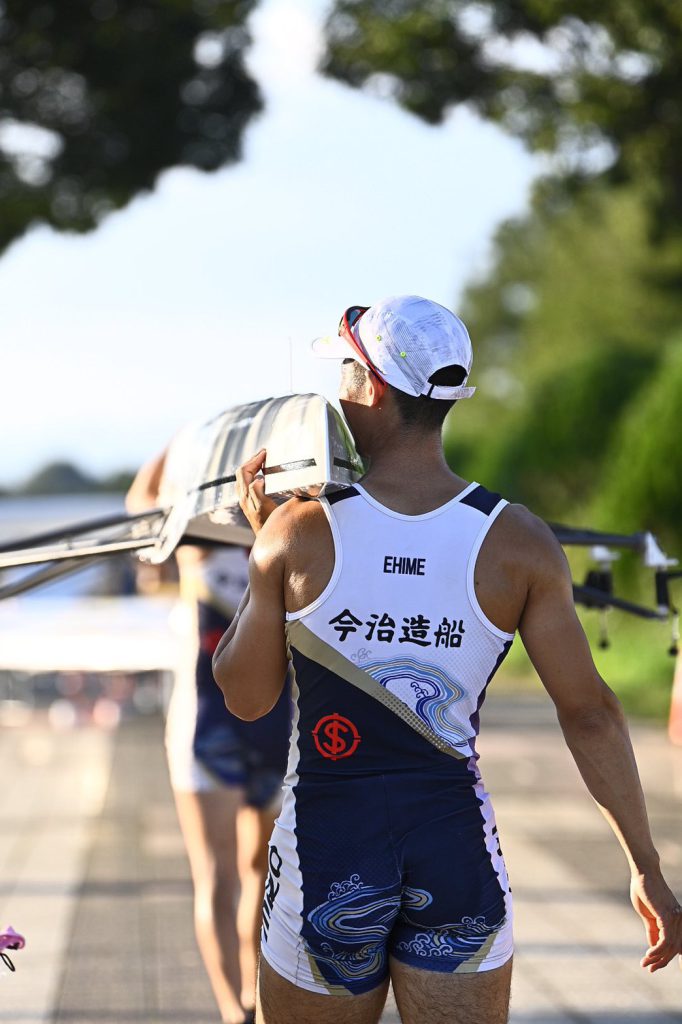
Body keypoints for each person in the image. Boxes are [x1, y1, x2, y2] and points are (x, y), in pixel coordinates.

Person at [212, 295, 682, 1024]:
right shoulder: (518, 539)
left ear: (371, 387)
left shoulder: (298, 531)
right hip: (454, 844)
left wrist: (261, 551)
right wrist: (645, 867)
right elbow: (590, 712)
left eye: (344, 374)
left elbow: (245, 698)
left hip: (326, 844)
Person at [127, 454, 291, 1024]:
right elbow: (139, 509)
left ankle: (256, 996)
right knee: (218, 876)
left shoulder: (283, 525)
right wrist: (175, 449)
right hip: (205, 725)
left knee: (262, 873)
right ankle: (232, 1011)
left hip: (276, 721)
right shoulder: (191, 534)